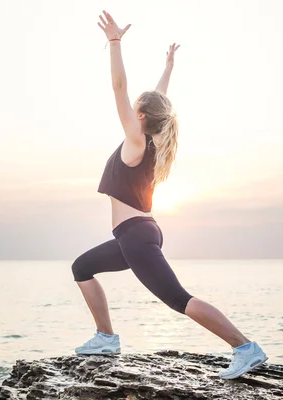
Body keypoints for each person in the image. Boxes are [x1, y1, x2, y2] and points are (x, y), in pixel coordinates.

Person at [71, 10, 268, 380]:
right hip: (133, 235)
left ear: (141, 117)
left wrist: (114, 43)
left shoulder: (136, 142)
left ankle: (246, 348)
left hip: (137, 237)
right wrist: (169, 67)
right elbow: (159, 102)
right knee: (82, 267)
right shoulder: (152, 139)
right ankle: (106, 338)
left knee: (179, 300)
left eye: (135, 110)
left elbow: (119, 88)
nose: (129, 111)